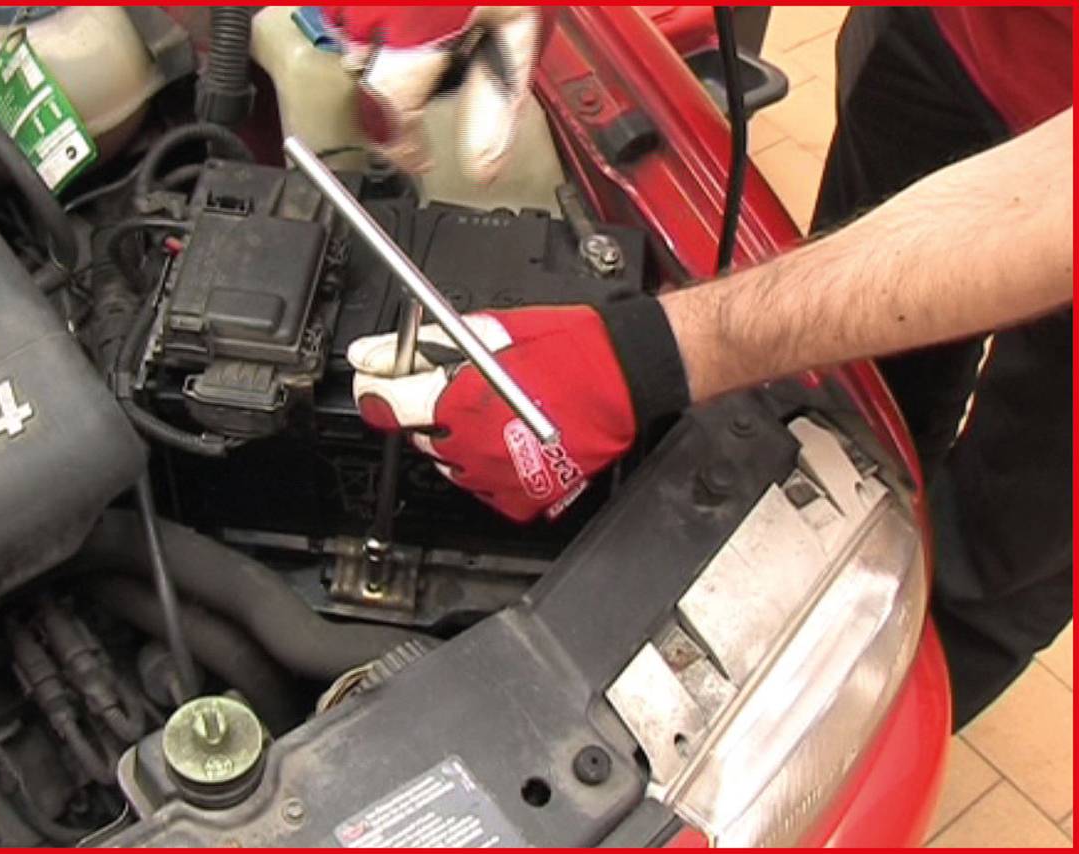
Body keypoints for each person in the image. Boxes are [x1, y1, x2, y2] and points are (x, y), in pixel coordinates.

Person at [327, 7, 1073, 729]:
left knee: (1011, 539)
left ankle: (875, 708)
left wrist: (655, 351)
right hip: (949, 33)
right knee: (860, 393)